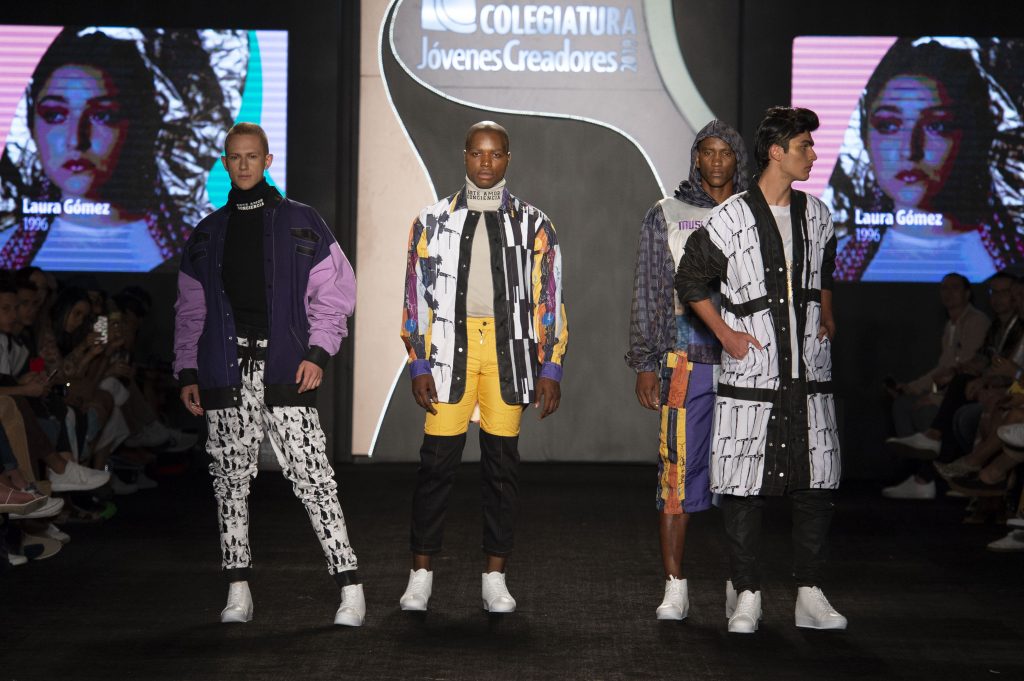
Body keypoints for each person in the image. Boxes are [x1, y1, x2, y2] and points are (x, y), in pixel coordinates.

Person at [173, 122, 363, 626]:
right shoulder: (208, 232)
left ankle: (350, 589)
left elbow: (335, 293)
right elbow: (191, 310)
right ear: (224, 162)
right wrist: (187, 369)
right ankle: (238, 590)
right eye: (234, 157)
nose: (243, 165)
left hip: (285, 366)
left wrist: (318, 353)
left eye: (252, 156)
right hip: (224, 368)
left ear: (267, 160)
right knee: (229, 482)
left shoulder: (301, 220)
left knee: (314, 477)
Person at [675, 106, 847, 633]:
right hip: (753, 373)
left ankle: (809, 593)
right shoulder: (730, 218)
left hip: (809, 372)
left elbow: (824, 271)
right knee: (743, 480)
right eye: (804, 146)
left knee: (816, 479)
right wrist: (725, 334)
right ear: (776, 152)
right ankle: (747, 593)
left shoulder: (818, 215)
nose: (813, 154)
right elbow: (689, 279)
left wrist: (827, 315)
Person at [398, 121, 568, 614]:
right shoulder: (431, 220)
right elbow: (414, 296)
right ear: (465, 155)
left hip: (508, 353)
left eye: (495, 154)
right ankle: (420, 576)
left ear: (508, 158)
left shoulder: (535, 224)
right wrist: (417, 361)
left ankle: (495, 577)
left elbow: (550, 298)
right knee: (435, 466)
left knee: (501, 467)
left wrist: (551, 367)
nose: (486, 162)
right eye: (477, 153)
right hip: (448, 349)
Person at [626, 120, 749, 620]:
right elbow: (650, 290)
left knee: (744, 476)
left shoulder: (755, 212)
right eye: (707, 152)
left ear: (738, 159)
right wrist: (645, 362)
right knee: (676, 471)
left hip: (747, 366)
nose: (717, 161)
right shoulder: (668, 214)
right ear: (696, 158)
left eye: (725, 152)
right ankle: (674, 584)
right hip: (685, 360)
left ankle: (742, 586)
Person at [0, 28, 244, 271]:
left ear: (142, 123)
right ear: (31, 124)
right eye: (55, 115)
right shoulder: (5, 250)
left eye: (102, 115)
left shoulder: (200, 256)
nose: (75, 139)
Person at [828, 38, 1024, 282]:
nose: (909, 150)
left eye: (937, 126)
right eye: (888, 125)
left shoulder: (1012, 265)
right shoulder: (832, 266)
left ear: (975, 135)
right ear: (864, 136)